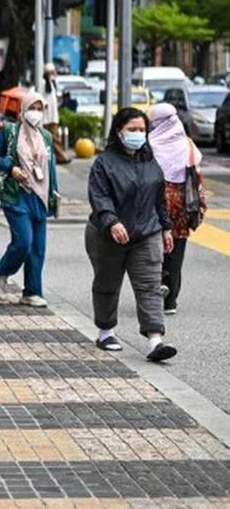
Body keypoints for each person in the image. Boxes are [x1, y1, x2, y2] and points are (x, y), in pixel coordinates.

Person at [86, 108, 177, 362]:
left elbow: (159, 198)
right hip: (107, 235)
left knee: (150, 285)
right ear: (118, 131)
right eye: (132, 129)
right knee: (107, 284)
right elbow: (99, 197)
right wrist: (112, 222)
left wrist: (166, 227)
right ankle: (106, 332)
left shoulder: (150, 161)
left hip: (147, 232)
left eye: (142, 130)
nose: (138, 134)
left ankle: (155, 341)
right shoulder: (104, 163)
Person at [0, 91, 58, 308]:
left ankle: (32, 291)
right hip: (16, 194)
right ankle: (0, 272)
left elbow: (50, 168)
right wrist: (11, 168)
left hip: (40, 196)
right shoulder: (9, 131)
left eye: (39, 109)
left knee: (38, 247)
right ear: (23, 109)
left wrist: (54, 195)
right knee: (23, 242)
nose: (35, 113)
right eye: (32, 108)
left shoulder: (45, 136)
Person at [148, 103, 206, 315]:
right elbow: (196, 171)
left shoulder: (151, 144)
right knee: (177, 249)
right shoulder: (188, 144)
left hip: (156, 202)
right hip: (183, 205)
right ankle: (171, 300)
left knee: (153, 247)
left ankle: (157, 289)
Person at [42, 63, 70, 164]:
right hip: (45, 118)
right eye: (53, 71)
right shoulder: (42, 83)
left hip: (52, 117)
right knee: (50, 138)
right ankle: (60, 156)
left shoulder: (52, 83)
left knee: (55, 137)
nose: (55, 73)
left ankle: (59, 156)